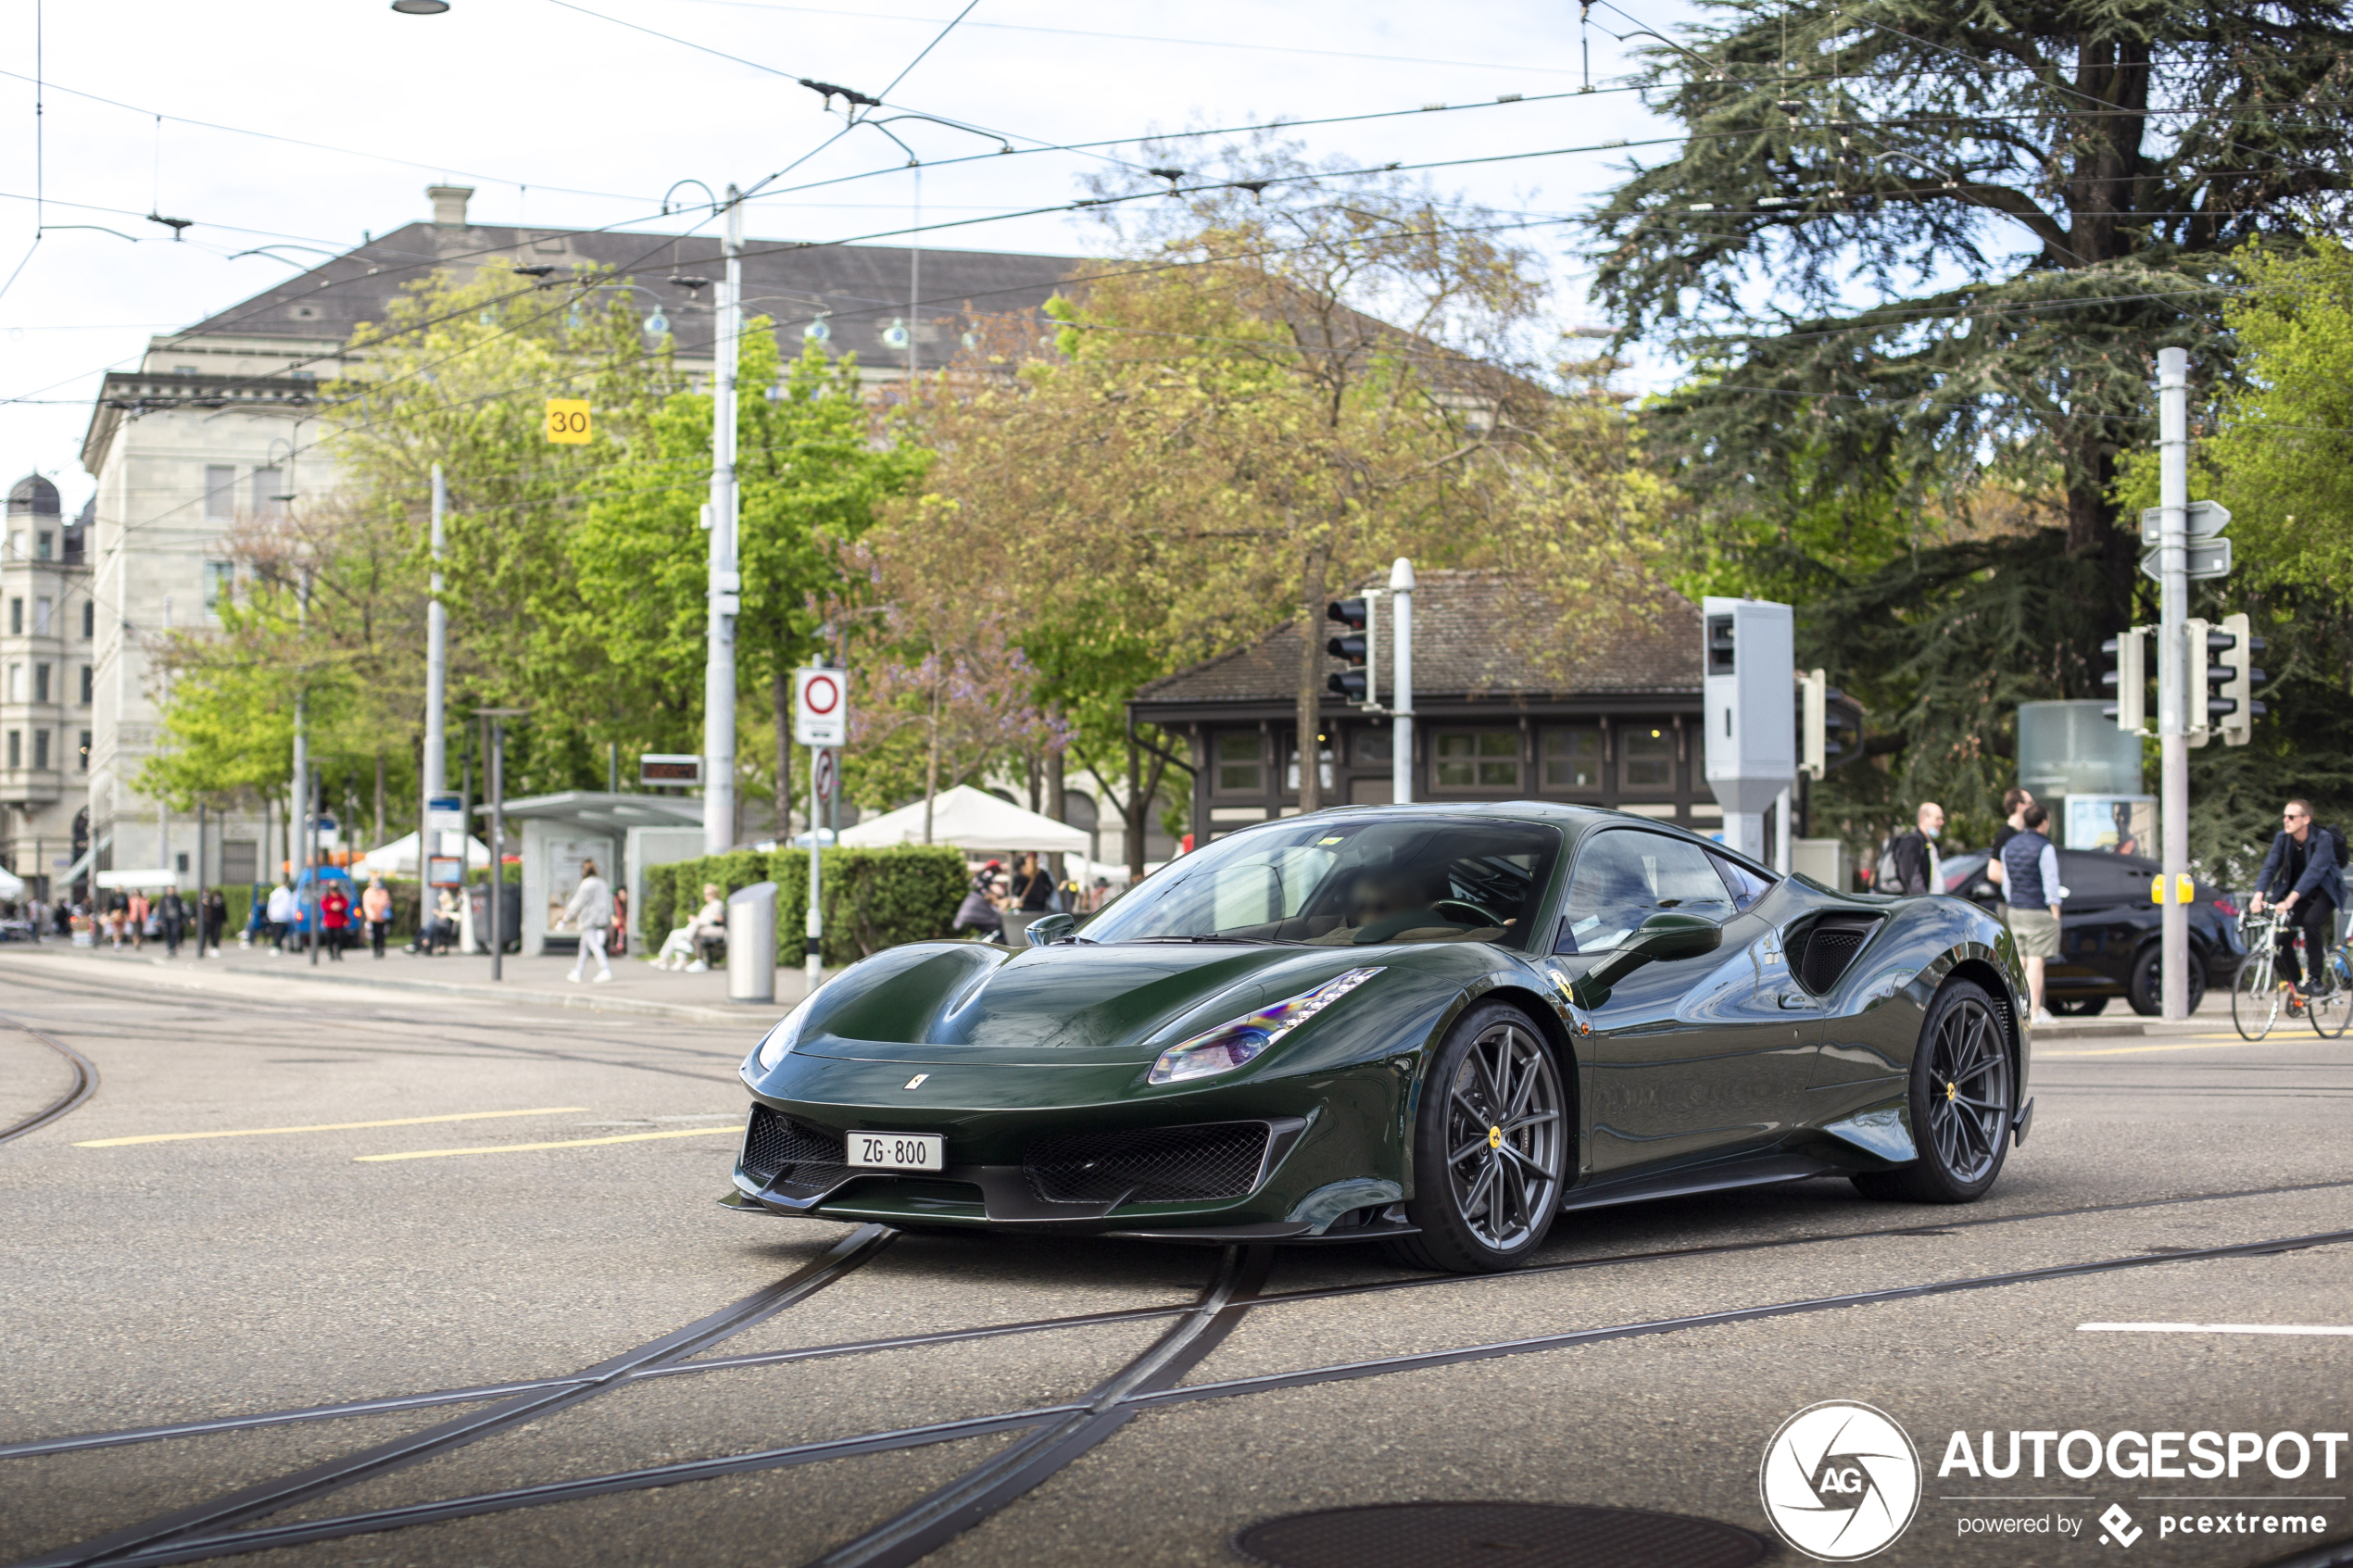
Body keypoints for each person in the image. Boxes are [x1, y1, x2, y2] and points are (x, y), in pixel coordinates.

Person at [2251, 798, 2344, 998]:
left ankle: (2316, 980)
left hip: (2324, 892)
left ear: (2306, 819)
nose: (2286, 820)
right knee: (2282, 941)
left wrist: (2289, 901)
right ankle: (2299, 989)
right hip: (2299, 894)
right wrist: (2258, 896)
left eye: (2291, 816)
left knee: (2311, 922)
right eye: (2284, 816)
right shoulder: (2283, 838)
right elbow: (2270, 866)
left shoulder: (2323, 839)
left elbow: (2314, 871)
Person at [1998, 803, 2068, 1025]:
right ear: (2044, 822)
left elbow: (2007, 882)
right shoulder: (2044, 847)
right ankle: (2034, 1011)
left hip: (2015, 909)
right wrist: (2055, 912)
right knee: (2037, 961)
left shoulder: (2009, 845)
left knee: (2021, 962)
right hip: (2037, 909)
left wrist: (2012, 903)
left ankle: (2019, 1010)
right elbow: (2050, 882)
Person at [564, 859, 615, 984]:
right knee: (584, 946)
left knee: (593, 944)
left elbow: (579, 901)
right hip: (600, 917)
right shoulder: (602, 883)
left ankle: (605, 969)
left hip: (590, 918)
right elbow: (608, 901)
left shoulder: (586, 884)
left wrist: (568, 916)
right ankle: (578, 971)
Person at [657, 883, 726, 971]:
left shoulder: (717, 904)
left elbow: (713, 920)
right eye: (705, 894)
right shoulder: (707, 906)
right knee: (675, 934)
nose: (706, 896)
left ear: (715, 894)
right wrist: (696, 919)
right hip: (697, 928)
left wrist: (696, 920)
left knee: (679, 936)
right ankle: (673, 959)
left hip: (706, 928)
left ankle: (686, 943)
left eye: (708, 894)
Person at [1882, 803, 1946, 897]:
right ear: (1924, 818)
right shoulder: (1912, 842)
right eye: (1937, 819)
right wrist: (1923, 902)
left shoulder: (1930, 845)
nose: (1942, 822)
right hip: (1920, 905)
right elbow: (1911, 879)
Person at [1986, 787, 2033, 890]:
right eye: (2030, 803)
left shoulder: (2023, 833)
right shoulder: (2005, 835)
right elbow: (1993, 872)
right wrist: (2019, 887)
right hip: (2007, 902)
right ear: (2019, 806)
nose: (2032, 808)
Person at [954, 860, 1005, 940]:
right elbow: (999, 891)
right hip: (977, 907)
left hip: (969, 907)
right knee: (997, 921)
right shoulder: (988, 874)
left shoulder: (980, 875)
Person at [361, 876, 394, 960]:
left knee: (382, 934)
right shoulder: (368, 893)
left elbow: (387, 903)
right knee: (375, 934)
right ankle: (375, 950)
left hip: (382, 917)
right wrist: (372, 915)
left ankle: (381, 949)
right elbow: (367, 905)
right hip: (373, 918)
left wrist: (384, 912)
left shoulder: (383, 892)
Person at [320, 880, 351, 960]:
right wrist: (331, 906)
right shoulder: (326, 896)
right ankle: (331, 953)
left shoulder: (341, 895)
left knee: (340, 938)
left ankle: (339, 953)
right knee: (330, 938)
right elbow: (323, 906)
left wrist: (339, 906)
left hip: (339, 921)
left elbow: (346, 904)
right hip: (329, 921)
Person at [265, 878, 296, 954]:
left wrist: (269, 914)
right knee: (280, 932)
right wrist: (291, 916)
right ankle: (277, 946)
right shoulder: (287, 893)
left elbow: (270, 904)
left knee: (275, 931)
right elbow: (290, 906)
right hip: (283, 916)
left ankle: (275, 945)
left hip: (275, 915)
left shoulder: (275, 892)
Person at [158, 887, 188, 958]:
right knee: (168, 933)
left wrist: (181, 919)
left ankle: (174, 947)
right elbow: (161, 909)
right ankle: (170, 947)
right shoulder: (164, 899)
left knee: (174, 932)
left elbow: (180, 909)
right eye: (169, 890)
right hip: (167, 919)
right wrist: (160, 919)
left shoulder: (177, 899)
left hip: (175, 919)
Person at [200, 886, 227, 956]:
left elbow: (224, 912)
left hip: (218, 921)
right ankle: (210, 947)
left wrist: (225, 921)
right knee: (211, 934)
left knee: (217, 934)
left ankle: (215, 947)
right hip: (210, 921)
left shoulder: (221, 904)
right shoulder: (209, 903)